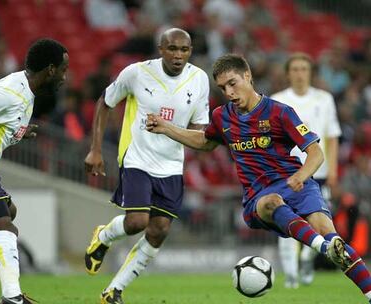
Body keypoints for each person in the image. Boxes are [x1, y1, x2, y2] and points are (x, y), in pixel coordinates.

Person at [146, 53, 371, 303]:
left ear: (248, 76)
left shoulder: (280, 112)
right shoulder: (222, 116)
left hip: (297, 184)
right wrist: (167, 128)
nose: (228, 92)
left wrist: (301, 176)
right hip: (259, 195)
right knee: (272, 202)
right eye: (222, 88)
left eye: (233, 83)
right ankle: (324, 248)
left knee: (332, 237)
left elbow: (316, 153)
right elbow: (205, 141)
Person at [84, 28, 209, 304]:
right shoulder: (136, 73)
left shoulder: (199, 79)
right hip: (137, 158)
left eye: (184, 50)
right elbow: (105, 103)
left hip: (172, 165)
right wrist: (95, 149)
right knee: (137, 222)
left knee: (159, 230)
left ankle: (113, 291)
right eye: (173, 49)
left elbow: (200, 127)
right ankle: (104, 236)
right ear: (161, 49)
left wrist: (173, 131)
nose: (178, 55)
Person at [0, 38, 69, 304]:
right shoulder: (9, 92)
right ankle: (11, 298)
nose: (66, 76)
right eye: (64, 69)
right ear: (51, 69)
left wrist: (19, 132)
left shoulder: (25, 92)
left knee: (8, 212)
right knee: (4, 227)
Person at [271, 52, 342, 288]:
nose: (300, 73)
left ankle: (307, 259)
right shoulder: (277, 100)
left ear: (310, 72)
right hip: (287, 172)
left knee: (320, 223)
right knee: (286, 222)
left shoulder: (324, 99)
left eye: (304, 69)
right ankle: (291, 276)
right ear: (288, 73)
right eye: (295, 69)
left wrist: (333, 170)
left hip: (318, 172)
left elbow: (332, 137)